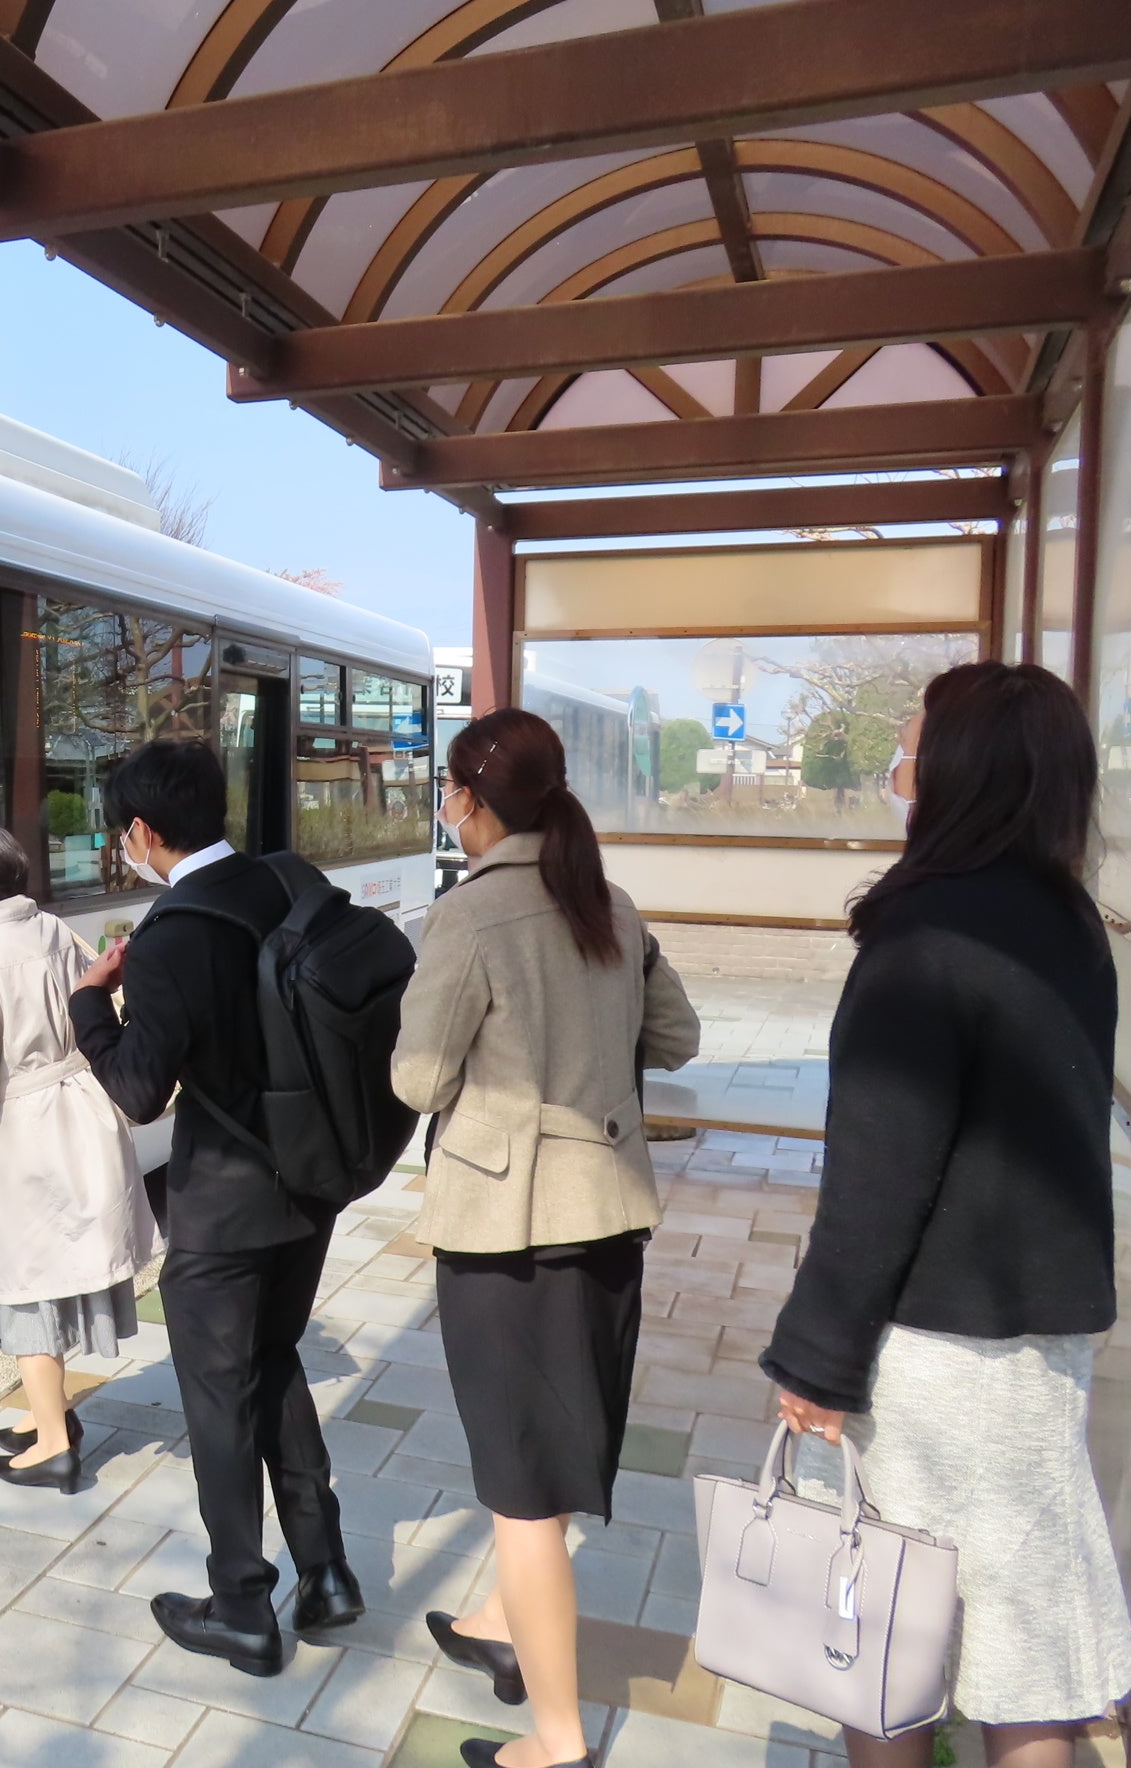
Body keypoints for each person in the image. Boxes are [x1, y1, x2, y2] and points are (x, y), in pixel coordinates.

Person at [761, 663, 1131, 1768]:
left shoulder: (922, 938)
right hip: (1038, 1339)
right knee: (1023, 1654)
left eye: (914, 744)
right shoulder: (1063, 919)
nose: (899, 765)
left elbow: (877, 1178)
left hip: (935, 1353)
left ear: (959, 771)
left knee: (888, 1650)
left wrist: (814, 1359)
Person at [391, 707, 700, 1768]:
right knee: (553, 1455)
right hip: (608, 1217)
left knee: (520, 1490)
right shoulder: (604, 900)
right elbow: (677, 1038)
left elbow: (418, 1079)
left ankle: (555, 1741)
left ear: (471, 801)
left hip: (503, 1232)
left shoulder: (467, 919)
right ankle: (493, 1621)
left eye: (446, 791)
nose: (444, 807)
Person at [71, 739, 359, 1678]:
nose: (126, 848)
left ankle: (241, 1604)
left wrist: (89, 1008)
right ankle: (326, 1573)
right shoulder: (280, 884)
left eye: (125, 834)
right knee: (275, 1364)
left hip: (225, 1205)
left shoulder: (171, 933)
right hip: (309, 1187)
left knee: (219, 1402)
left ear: (146, 831)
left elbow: (141, 1090)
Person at [0, 814, 157, 1494]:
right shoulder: (53, 929)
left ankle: (55, 1444)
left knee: (26, 1283)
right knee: (53, 1274)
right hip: (80, 1112)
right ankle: (46, 1414)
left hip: (25, 1133)